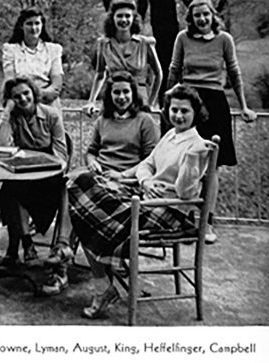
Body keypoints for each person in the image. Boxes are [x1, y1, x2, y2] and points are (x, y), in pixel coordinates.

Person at [68, 84, 213, 319]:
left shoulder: (197, 146)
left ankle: (104, 285)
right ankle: (107, 278)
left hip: (169, 212)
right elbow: (147, 163)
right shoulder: (171, 135)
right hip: (146, 199)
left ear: (196, 112)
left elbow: (185, 193)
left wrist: (193, 161)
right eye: (174, 109)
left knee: (88, 216)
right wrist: (144, 181)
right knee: (81, 186)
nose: (178, 115)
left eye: (184, 111)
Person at [40, 71, 159, 296]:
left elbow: (151, 161)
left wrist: (122, 174)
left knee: (78, 196)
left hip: (127, 182)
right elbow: (92, 151)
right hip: (100, 177)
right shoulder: (103, 120)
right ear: (109, 94)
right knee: (72, 182)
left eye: (126, 92)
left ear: (134, 93)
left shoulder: (145, 121)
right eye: (116, 92)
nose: (121, 97)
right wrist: (92, 162)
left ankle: (62, 261)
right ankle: (64, 249)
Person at [166, 0, 257, 244]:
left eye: (206, 14)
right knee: (184, 161)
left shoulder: (224, 39)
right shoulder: (183, 38)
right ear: (191, 19)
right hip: (189, 102)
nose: (202, 19)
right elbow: (174, 70)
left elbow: (234, 72)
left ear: (213, 15)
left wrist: (245, 107)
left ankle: (206, 222)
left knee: (211, 167)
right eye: (197, 15)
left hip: (215, 104)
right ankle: (181, 219)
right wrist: (167, 101)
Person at [0, 76, 68, 269]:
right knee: (9, 191)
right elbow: (0, 144)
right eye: (16, 97)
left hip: (48, 175)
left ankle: (19, 248)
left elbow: (61, 154)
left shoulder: (51, 115)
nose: (23, 99)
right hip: (23, 174)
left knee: (57, 190)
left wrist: (44, 168)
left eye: (26, 93)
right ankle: (27, 244)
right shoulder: (14, 117)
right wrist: (6, 112)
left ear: (34, 93)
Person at [84, 0, 163, 116]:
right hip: (114, 97)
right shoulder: (104, 44)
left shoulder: (145, 43)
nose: (123, 20)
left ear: (133, 19)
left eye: (127, 16)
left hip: (139, 99)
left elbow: (158, 73)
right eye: (119, 16)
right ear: (112, 18)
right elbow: (100, 74)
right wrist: (91, 101)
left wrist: (151, 103)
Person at [2, 6, 64, 110]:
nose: (34, 28)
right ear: (22, 26)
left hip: (48, 102)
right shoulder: (10, 49)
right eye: (29, 24)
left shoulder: (53, 49)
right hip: (21, 101)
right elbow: (10, 80)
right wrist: (25, 96)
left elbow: (56, 83)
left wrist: (40, 94)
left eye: (37, 23)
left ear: (42, 25)